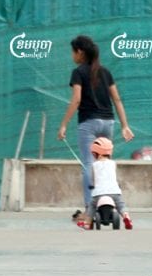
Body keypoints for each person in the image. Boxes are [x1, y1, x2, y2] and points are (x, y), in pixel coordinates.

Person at [57, 35, 134, 213]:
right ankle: (111, 201)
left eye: (73, 51)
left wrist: (63, 125)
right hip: (108, 123)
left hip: (89, 124)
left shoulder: (78, 72)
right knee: (105, 163)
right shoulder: (105, 72)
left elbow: (76, 100)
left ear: (80, 52)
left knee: (89, 165)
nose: (72, 55)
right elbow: (117, 99)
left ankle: (89, 208)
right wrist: (124, 125)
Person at [85, 136, 132, 229]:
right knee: (120, 205)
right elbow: (113, 177)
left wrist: (92, 185)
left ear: (95, 153)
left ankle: (87, 223)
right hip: (114, 192)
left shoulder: (94, 165)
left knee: (92, 206)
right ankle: (126, 216)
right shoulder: (113, 164)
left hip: (99, 193)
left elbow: (93, 180)